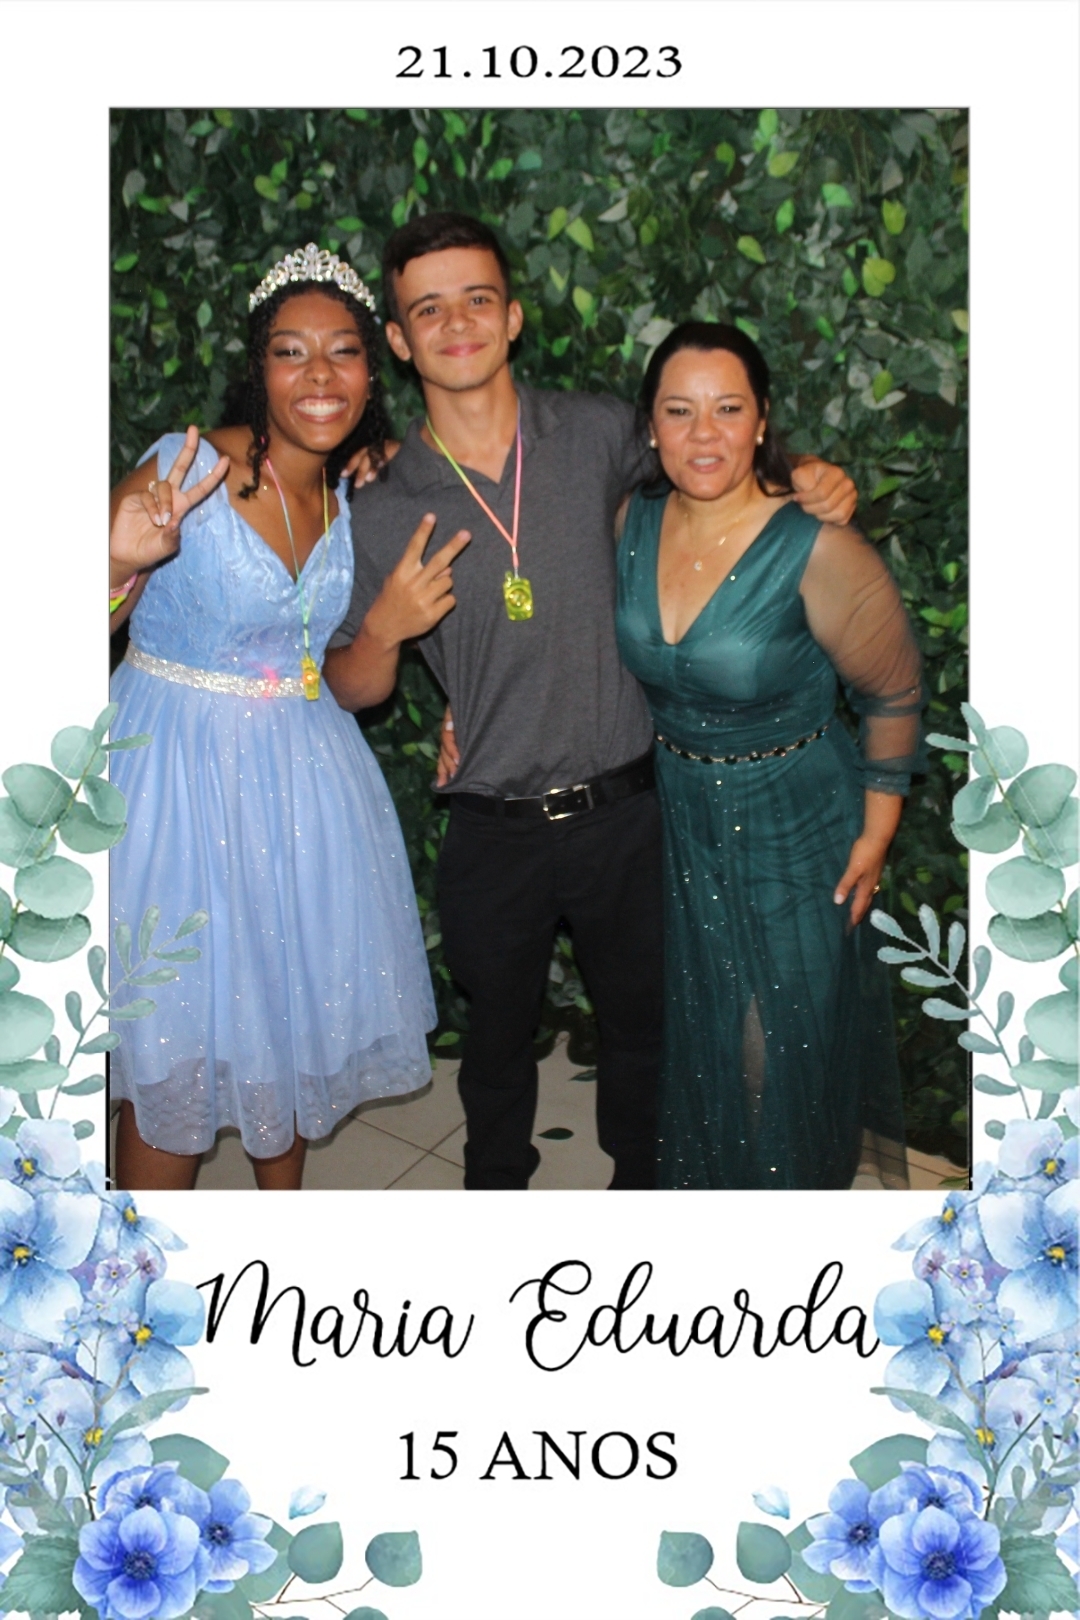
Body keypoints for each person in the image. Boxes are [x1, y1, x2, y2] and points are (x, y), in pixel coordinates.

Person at [325, 212, 859, 1192]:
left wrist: (804, 474)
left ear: (512, 316)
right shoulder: (384, 502)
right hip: (492, 822)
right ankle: (496, 1196)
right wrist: (388, 630)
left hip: (628, 809)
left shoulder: (601, 430)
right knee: (494, 1044)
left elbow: (711, 469)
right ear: (398, 339)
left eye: (477, 298)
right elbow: (353, 686)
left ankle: (639, 1202)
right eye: (428, 309)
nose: (457, 323)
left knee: (644, 1031)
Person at [108, 244, 466, 1191]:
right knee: (176, 1055)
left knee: (288, 1025)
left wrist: (384, 631)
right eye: (290, 351)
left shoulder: (348, 495)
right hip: (177, 783)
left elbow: (347, 684)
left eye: (342, 351)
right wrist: (115, 566)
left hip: (302, 786)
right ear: (258, 367)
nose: (318, 375)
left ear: (370, 372)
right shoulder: (186, 466)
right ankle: (135, 1263)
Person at [613, 321, 923, 1190]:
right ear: (650, 426)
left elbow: (894, 695)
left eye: (728, 409)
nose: (703, 434)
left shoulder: (819, 546)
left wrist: (876, 837)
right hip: (682, 818)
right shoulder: (630, 522)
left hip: (800, 821)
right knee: (707, 1034)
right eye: (679, 411)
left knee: (778, 1051)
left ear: (762, 421)